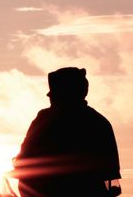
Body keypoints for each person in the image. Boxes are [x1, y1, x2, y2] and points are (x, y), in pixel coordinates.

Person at [13, 67, 122, 197]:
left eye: (53, 95)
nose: (50, 99)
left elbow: (25, 157)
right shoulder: (99, 122)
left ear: (62, 94)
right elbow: (110, 176)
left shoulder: (45, 120)